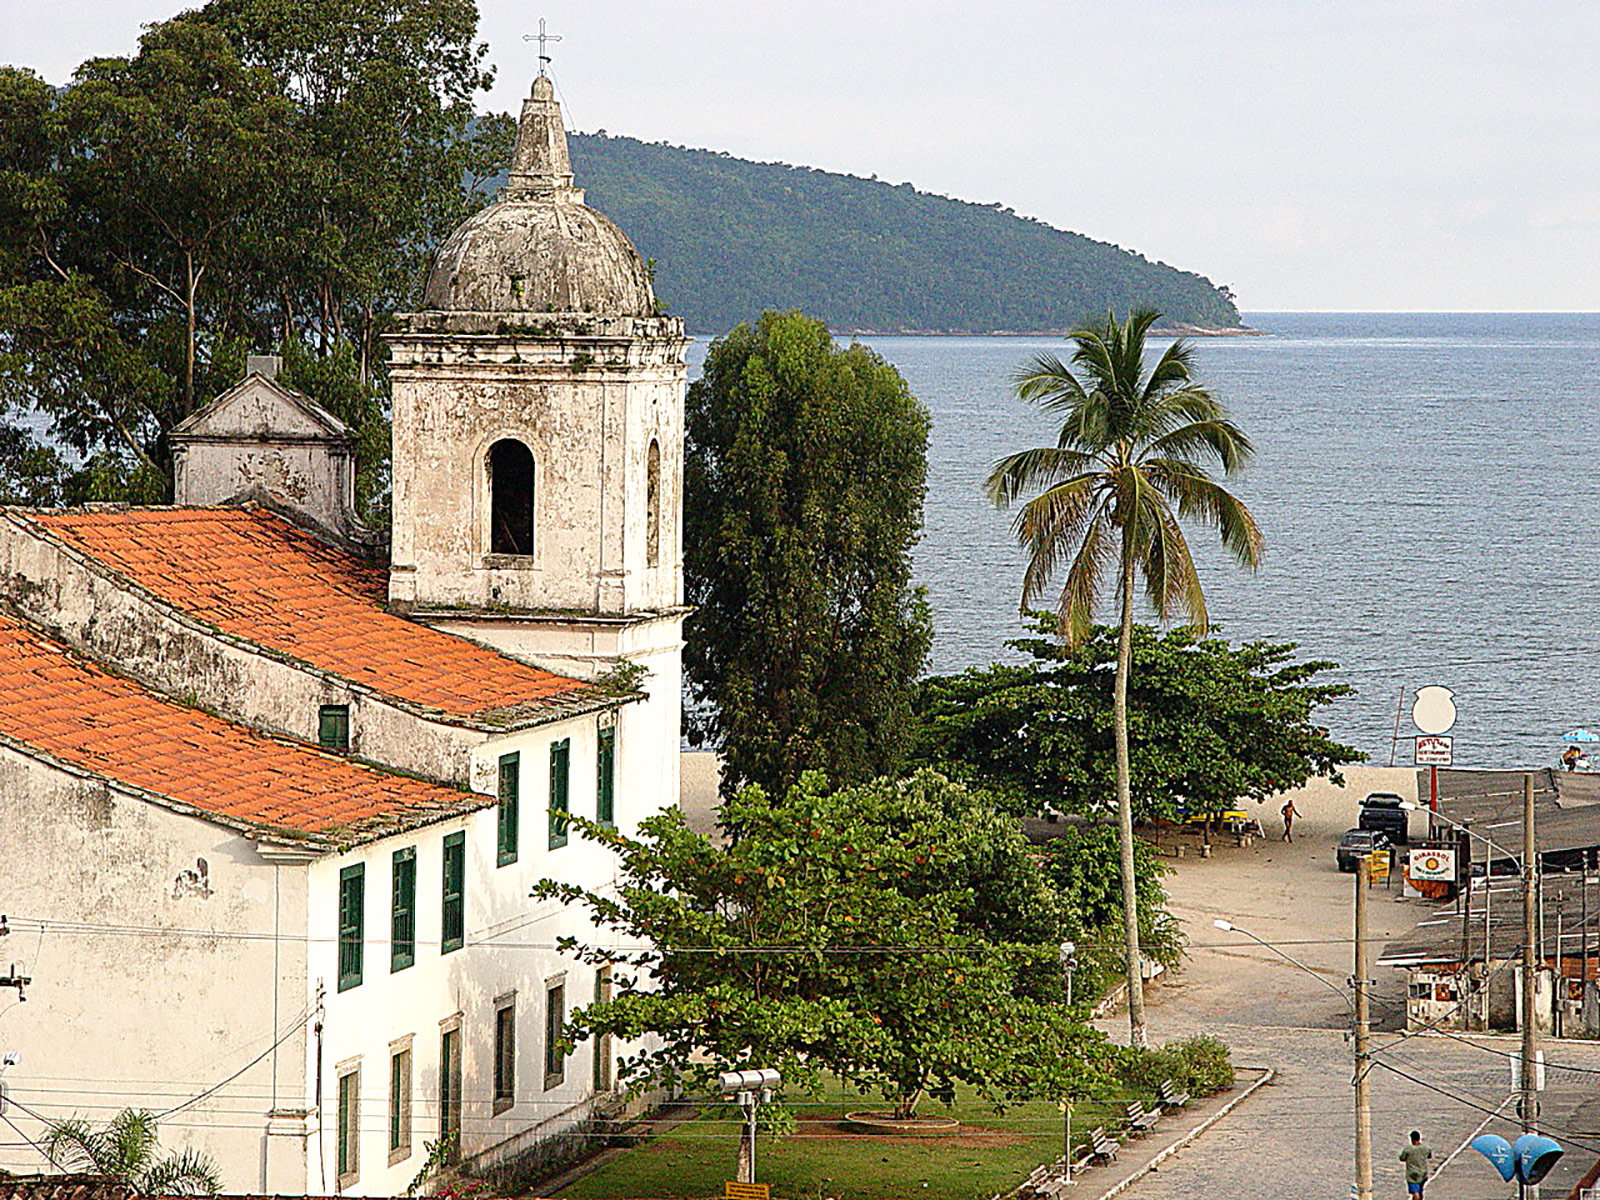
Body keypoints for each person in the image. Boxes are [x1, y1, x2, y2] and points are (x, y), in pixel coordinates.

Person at [1399, 1130, 1432, 1197]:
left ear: (1411, 1139)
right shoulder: (1426, 1148)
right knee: (1420, 1191)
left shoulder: (1408, 1149)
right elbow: (1429, 1156)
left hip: (1412, 1175)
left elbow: (1402, 1158)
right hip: (1423, 1173)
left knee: (1415, 1193)